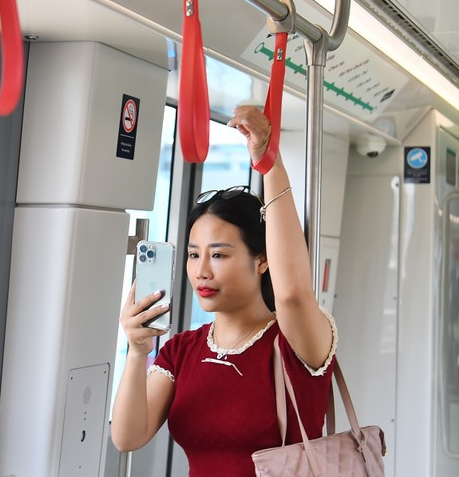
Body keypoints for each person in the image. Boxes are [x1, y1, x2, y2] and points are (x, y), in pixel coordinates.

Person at [111, 105, 337, 476]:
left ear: (262, 259)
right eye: (193, 254)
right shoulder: (182, 351)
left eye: (218, 255)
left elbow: (293, 294)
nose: (201, 271)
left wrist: (269, 163)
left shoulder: (296, 340)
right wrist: (137, 352)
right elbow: (128, 437)